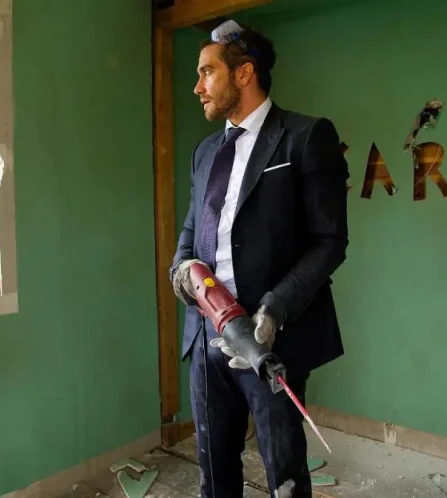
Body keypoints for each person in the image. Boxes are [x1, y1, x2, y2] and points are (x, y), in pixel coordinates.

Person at [169, 19, 349, 498]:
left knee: (283, 475)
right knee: (214, 472)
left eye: (207, 72)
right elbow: (192, 230)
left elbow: (329, 241)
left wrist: (275, 309)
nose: (197, 87)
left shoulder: (304, 137)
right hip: (206, 334)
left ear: (244, 72)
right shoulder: (205, 151)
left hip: (272, 341)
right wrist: (181, 267)